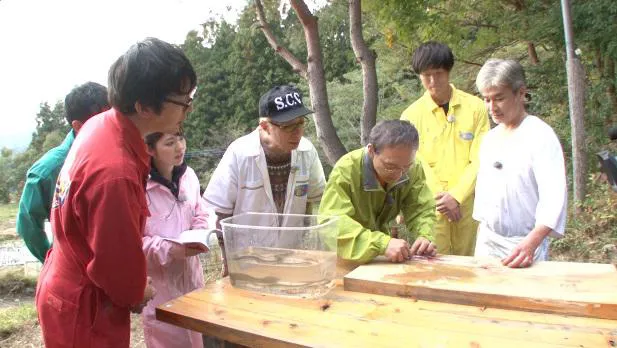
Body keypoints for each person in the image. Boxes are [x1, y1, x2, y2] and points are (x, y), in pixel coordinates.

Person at [36, 37, 197, 347]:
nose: (188, 109)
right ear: (144, 106)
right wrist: (136, 292)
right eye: (183, 101)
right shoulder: (115, 171)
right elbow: (115, 259)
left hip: (68, 285)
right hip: (85, 308)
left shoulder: (101, 125)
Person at [473, 58, 567, 268]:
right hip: (488, 241)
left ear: (521, 93)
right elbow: (484, 194)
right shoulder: (491, 138)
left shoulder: (540, 135)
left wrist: (532, 242)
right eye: (486, 99)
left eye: (499, 98)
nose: (492, 107)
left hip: (524, 243)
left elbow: (553, 196)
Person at [401, 41, 489, 256]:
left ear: (448, 71)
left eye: (438, 73)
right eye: (426, 75)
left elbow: (481, 157)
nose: (432, 81)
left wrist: (457, 196)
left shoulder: (475, 107)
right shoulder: (410, 116)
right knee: (434, 265)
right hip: (431, 206)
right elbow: (414, 161)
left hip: (467, 204)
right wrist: (442, 198)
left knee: (468, 264)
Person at [203, 84, 326, 227]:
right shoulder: (239, 153)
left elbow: (313, 198)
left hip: (293, 247)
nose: (298, 132)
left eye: (301, 123)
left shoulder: (307, 150)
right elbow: (217, 211)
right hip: (247, 248)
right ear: (265, 126)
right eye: (288, 126)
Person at [319, 120, 436, 264]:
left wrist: (425, 235)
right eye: (390, 166)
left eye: (406, 166)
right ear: (371, 150)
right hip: (343, 256)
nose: (399, 174)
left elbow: (421, 208)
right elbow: (332, 222)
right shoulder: (346, 170)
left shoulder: (414, 167)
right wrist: (382, 243)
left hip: (381, 256)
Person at [16, 82, 109, 263]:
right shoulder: (49, 170)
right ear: (78, 126)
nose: (111, 126)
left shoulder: (118, 154)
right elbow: (28, 223)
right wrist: (52, 260)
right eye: (102, 121)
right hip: (74, 274)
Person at [142, 131, 210, 348]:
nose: (179, 147)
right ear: (150, 149)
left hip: (193, 282)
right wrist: (171, 249)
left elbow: (201, 212)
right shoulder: (140, 186)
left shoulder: (188, 175)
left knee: (198, 340)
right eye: (170, 143)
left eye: (181, 138)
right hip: (160, 292)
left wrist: (200, 231)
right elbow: (134, 242)